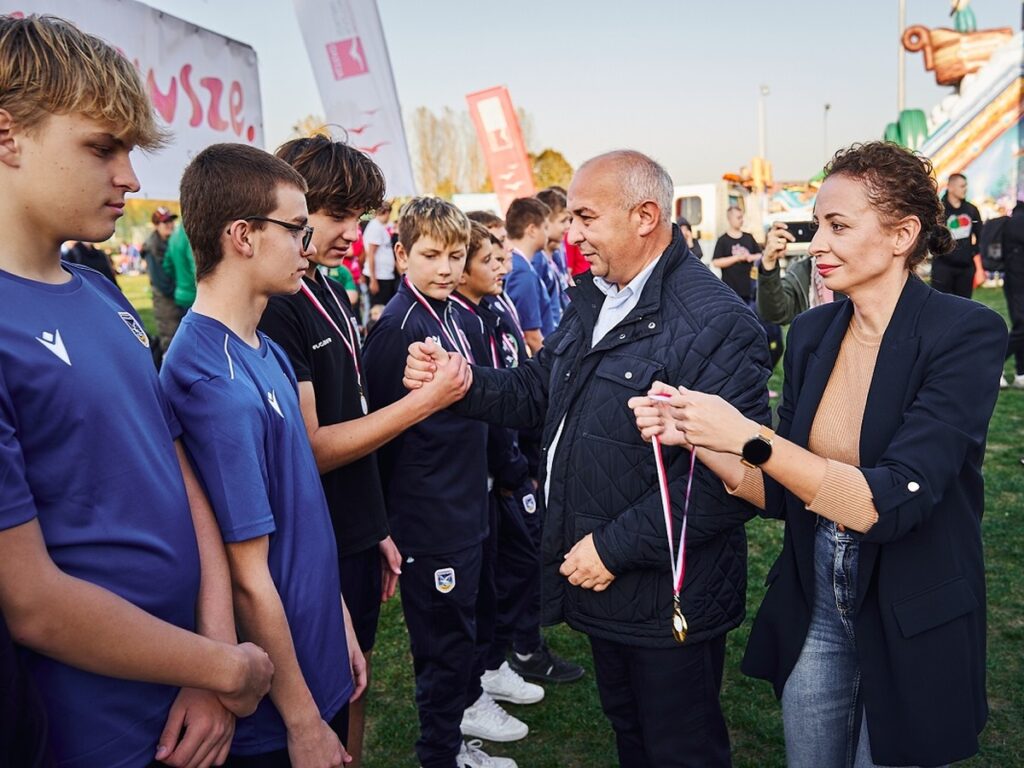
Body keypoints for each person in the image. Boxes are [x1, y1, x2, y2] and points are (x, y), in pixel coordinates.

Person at [631, 142, 1006, 767]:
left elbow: (890, 503)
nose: (816, 244)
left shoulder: (965, 333)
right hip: (817, 606)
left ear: (902, 235)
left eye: (837, 226)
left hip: (912, 610)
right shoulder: (812, 334)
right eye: (816, 224)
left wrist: (748, 437)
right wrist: (697, 434)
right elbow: (779, 489)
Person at [406, 150, 772, 767]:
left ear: (645, 217)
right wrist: (462, 380)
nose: (569, 233)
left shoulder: (714, 322)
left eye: (585, 217)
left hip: (662, 595)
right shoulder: (597, 299)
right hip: (605, 588)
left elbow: (727, 480)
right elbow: (535, 389)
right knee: (632, 737)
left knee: (681, 749)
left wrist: (612, 549)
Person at [0, 14, 273, 768]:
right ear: (7, 134)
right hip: (89, 722)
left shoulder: (101, 292)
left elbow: (176, 467)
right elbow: (31, 600)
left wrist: (210, 652)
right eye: (101, 147)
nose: (130, 176)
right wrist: (226, 668)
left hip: (192, 685)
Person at [260, 135, 471, 766]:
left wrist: (372, 521)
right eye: (339, 216)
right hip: (311, 539)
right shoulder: (278, 303)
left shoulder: (323, 284)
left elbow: (348, 411)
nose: (356, 231)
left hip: (351, 530)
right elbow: (311, 449)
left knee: (354, 683)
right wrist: (422, 404)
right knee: (320, 699)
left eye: (361, 216)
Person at [161, 142, 364, 767]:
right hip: (277, 703)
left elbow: (301, 507)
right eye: (297, 229)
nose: (308, 246)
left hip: (315, 650)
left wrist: (342, 625)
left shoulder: (263, 346)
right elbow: (247, 579)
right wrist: (302, 722)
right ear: (243, 235)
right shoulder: (209, 383)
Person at [361, 197, 515, 768]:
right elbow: (375, 436)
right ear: (401, 255)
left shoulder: (457, 315)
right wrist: (388, 525)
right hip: (428, 521)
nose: (447, 268)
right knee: (443, 651)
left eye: (455, 255)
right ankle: (439, 755)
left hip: (468, 506)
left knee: (467, 636)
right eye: (431, 255)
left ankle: (454, 740)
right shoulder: (397, 327)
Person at [713, 206, 784, 372]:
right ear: (729, 219)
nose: (741, 220)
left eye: (742, 217)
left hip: (751, 292)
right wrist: (735, 258)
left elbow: (760, 255)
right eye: (738, 217)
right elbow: (716, 262)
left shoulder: (748, 238)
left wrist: (748, 257)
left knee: (756, 329)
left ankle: (758, 363)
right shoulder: (723, 240)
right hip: (732, 293)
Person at [757, 221, 839, 326]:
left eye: (837, 226)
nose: (814, 248)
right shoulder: (803, 271)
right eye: (815, 226)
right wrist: (769, 263)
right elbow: (776, 312)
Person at [503, 197, 551, 354]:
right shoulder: (522, 272)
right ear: (531, 230)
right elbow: (532, 336)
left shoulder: (519, 265)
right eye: (545, 227)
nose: (547, 234)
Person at [933, 172, 983, 298]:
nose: (965, 189)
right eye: (962, 186)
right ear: (950, 187)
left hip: (966, 268)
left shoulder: (971, 210)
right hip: (943, 267)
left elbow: (980, 235)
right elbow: (931, 236)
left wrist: (973, 254)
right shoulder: (938, 210)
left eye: (966, 186)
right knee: (942, 305)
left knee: (964, 306)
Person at [142, 205, 183, 345]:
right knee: (171, 341)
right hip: (166, 301)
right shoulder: (152, 247)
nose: (170, 225)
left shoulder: (173, 242)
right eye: (165, 222)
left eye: (171, 221)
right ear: (156, 225)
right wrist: (179, 291)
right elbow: (161, 281)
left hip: (178, 296)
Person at [534, 188, 572, 330]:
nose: (568, 226)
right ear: (545, 222)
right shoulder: (537, 261)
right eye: (563, 221)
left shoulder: (556, 253)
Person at [999, 201, 1024, 389]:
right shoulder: (1017, 221)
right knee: (1022, 326)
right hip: (1017, 281)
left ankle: (1020, 373)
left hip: (1018, 280)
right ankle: (994, 362)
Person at [364, 202, 397, 306]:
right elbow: (371, 254)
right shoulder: (375, 227)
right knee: (379, 308)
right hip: (379, 276)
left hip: (385, 275)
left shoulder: (381, 226)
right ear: (386, 212)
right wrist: (373, 280)